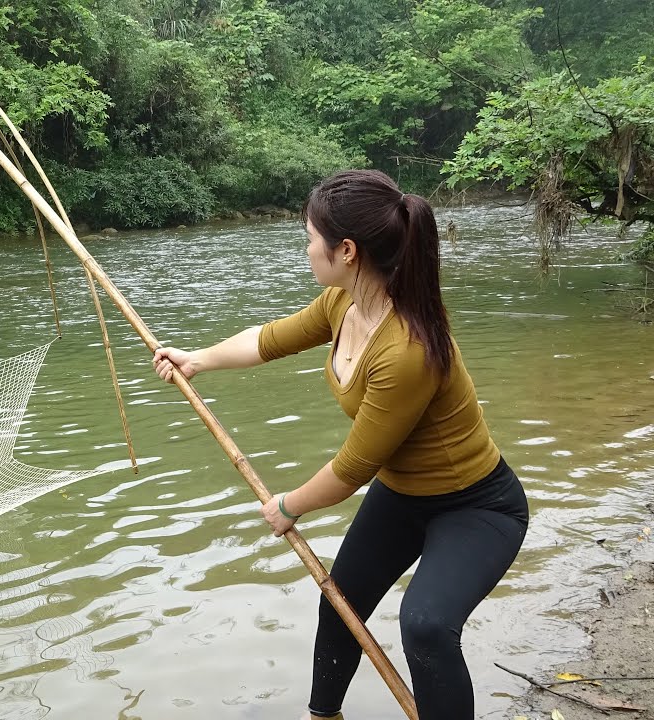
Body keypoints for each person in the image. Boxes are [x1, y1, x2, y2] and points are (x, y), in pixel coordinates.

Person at [152, 170, 529, 720]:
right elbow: (271, 338)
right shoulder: (342, 304)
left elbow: (353, 467)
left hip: (476, 505)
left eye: (310, 237)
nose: (306, 250)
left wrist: (288, 504)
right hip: (403, 497)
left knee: (425, 625)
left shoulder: (406, 350)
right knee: (340, 603)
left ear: (346, 250)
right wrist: (197, 359)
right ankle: (322, 716)